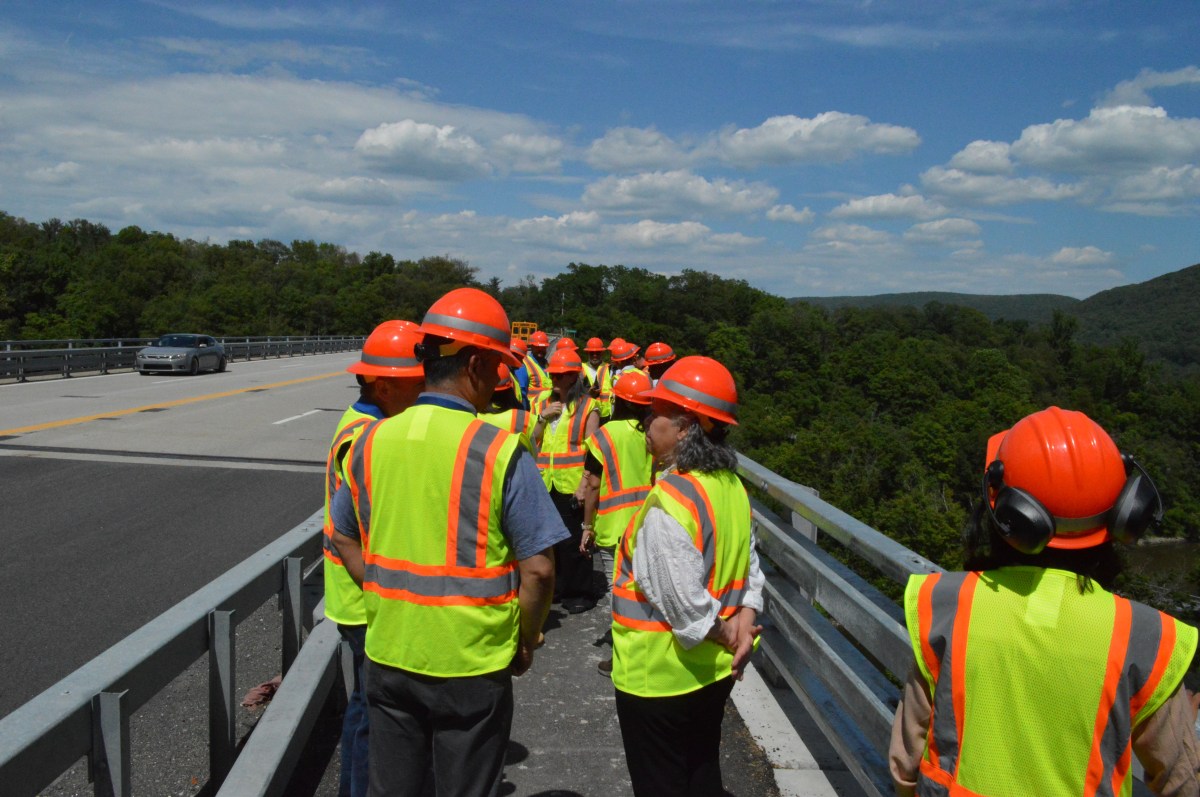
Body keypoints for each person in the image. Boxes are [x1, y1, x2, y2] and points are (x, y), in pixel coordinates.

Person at [889, 406, 1200, 797]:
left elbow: (904, 764)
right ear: (1124, 515)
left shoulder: (946, 603)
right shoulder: (1148, 638)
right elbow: (1184, 782)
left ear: (1007, 514)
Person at [330, 287, 568, 797]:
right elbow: (540, 571)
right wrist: (525, 638)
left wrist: (379, 592)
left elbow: (342, 536)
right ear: (477, 363)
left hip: (390, 652)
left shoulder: (372, 440)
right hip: (470, 663)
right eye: (499, 368)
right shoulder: (499, 449)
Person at [611, 355, 764, 797]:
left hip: (658, 678)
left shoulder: (671, 500)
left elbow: (686, 609)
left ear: (685, 426)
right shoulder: (731, 487)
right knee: (701, 773)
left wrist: (724, 634)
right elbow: (751, 568)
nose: (646, 421)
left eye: (655, 413)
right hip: (712, 676)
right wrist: (744, 624)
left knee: (661, 783)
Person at [323, 319, 425, 797]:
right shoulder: (365, 437)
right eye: (416, 384)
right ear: (382, 384)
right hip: (363, 592)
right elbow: (365, 526)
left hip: (357, 589)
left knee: (364, 709)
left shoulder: (364, 423)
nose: (426, 392)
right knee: (371, 716)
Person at [580, 370, 655, 674]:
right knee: (648, 588)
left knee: (619, 593)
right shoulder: (654, 432)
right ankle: (648, 648)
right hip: (650, 523)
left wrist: (587, 527)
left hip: (615, 527)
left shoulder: (604, 436)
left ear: (618, 400)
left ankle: (624, 655)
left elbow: (594, 486)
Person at [536, 347, 602, 613]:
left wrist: (584, 484)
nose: (554, 380)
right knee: (550, 541)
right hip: (546, 481)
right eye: (553, 375)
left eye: (560, 376)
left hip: (572, 482)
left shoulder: (588, 406)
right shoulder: (543, 403)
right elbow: (533, 437)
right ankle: (558, 588)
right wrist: (543, 417)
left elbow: (593, 450)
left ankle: (580, 592)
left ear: (573, 377)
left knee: (574, 541)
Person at [480, 363, 543, 454]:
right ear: (511, 387)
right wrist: (542, 418)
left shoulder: (475, 415)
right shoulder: (522, 417)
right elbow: (536, 436)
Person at [583, 336, 614, 418]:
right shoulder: (581, 369)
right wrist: (588, 394)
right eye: (592, 353)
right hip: (587, 412)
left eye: (598, 353)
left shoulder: (609, 368)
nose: (595, 355)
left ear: (602, 353)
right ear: (587, 353)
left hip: (606, 414)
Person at [524, 330, 552, 410]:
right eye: (537, 347)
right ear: (531, 347)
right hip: (532, 412)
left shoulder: (547, 365)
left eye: (543, 348)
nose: (541, 350)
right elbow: (522, 392)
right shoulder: (525, 364)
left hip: (548, 410)